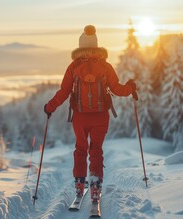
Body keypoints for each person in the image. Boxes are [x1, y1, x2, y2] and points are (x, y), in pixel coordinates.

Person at [44, 25, 137, 201]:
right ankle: (95, 186)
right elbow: (117, 89)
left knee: (80, 149)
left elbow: (63, 92)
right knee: (96, 150)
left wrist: (50, 107)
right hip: (101, 116)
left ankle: (79, 186)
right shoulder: (105, 66)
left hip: (80, 117)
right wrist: (131, 88)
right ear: (96, 45)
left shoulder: (73, 67)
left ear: (80, 47)